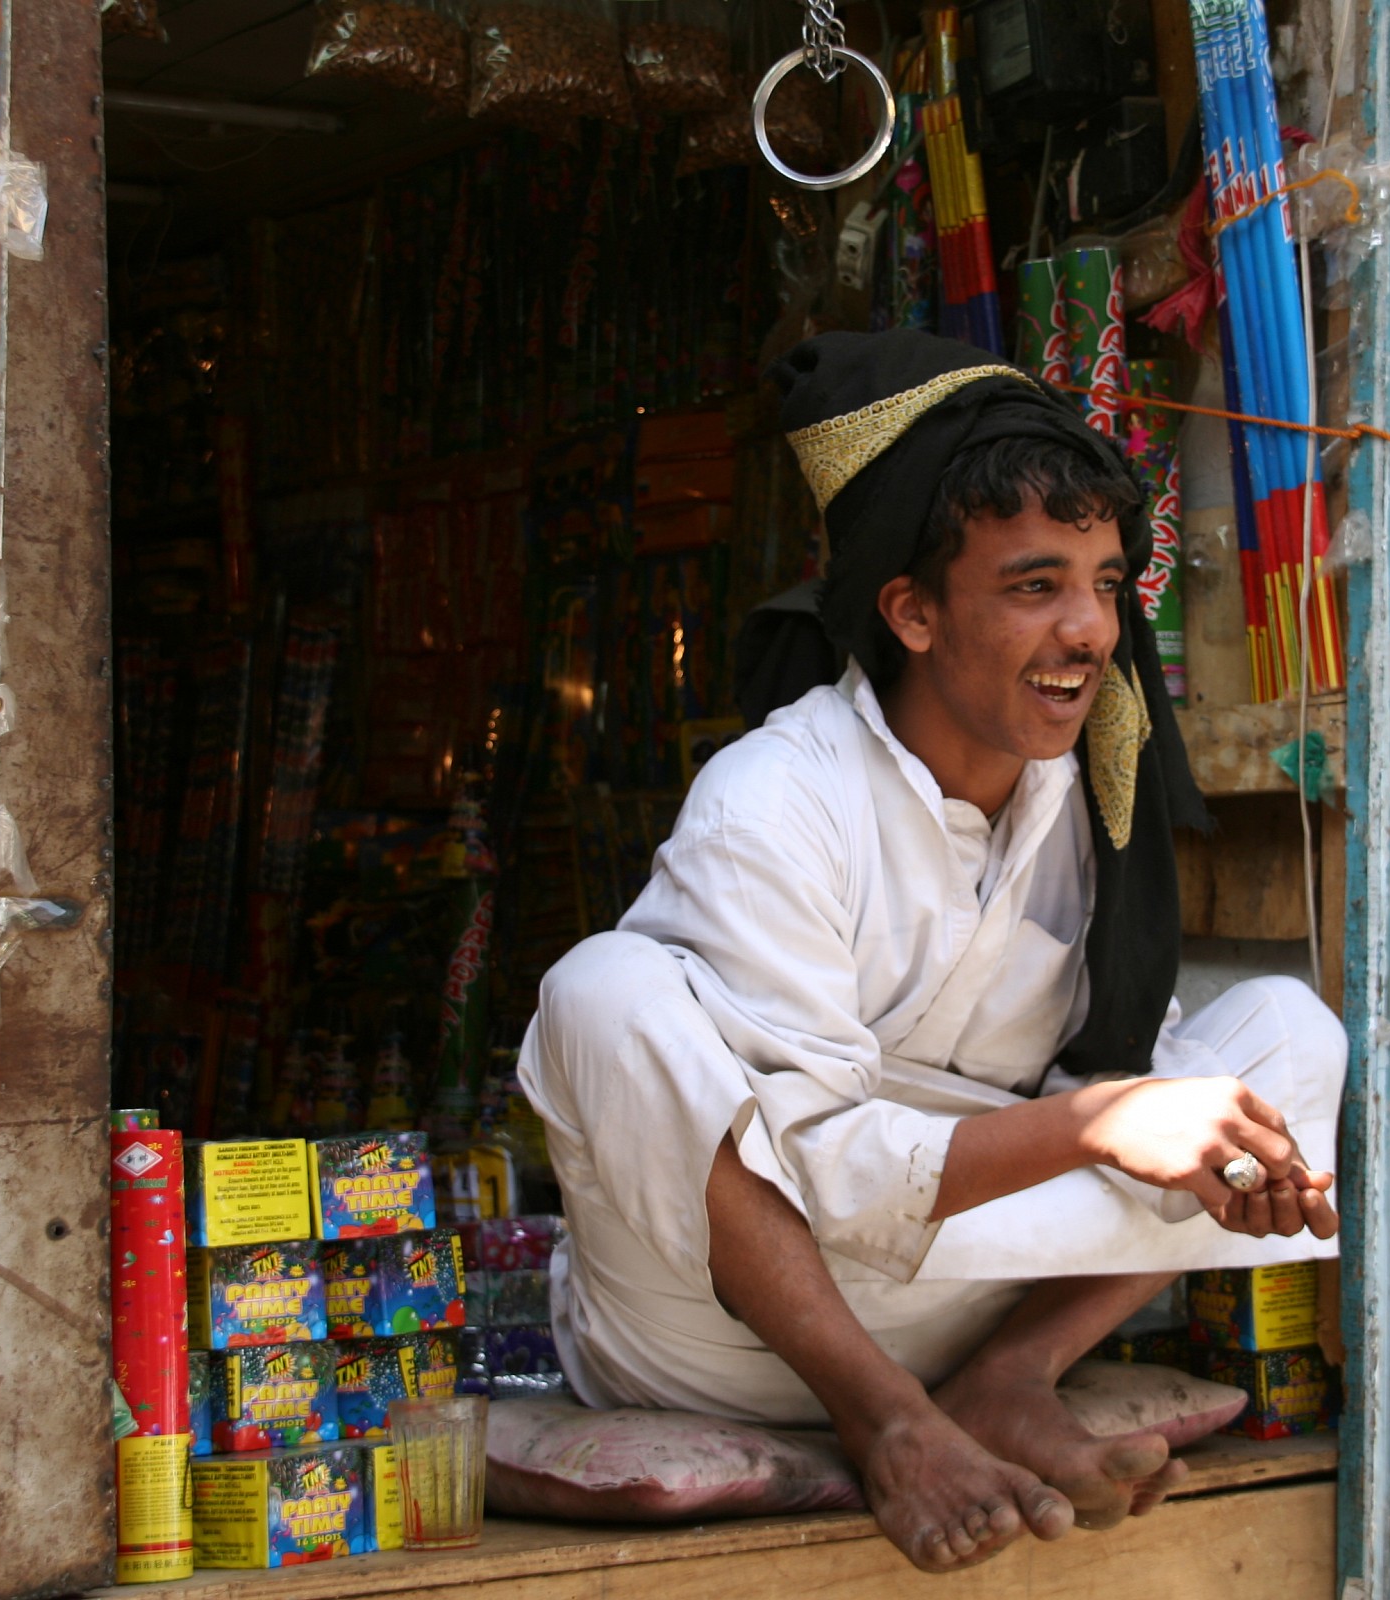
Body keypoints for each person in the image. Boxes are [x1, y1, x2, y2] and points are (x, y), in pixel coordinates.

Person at [518, 330, 1346, 1574]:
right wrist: (1098, 1125)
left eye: (1107, 582)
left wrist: (1185, 1136)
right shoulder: (775, 798)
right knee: (601, 992)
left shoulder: (1086, 799)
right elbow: (830, 1176)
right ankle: (887, 1419)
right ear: (909, 610)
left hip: (972, 1302)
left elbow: (1105, 1074)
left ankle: (1008, 1382)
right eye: (1034, 586)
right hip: (721, 1320)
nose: (1089, 632)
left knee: (1290, 1037)